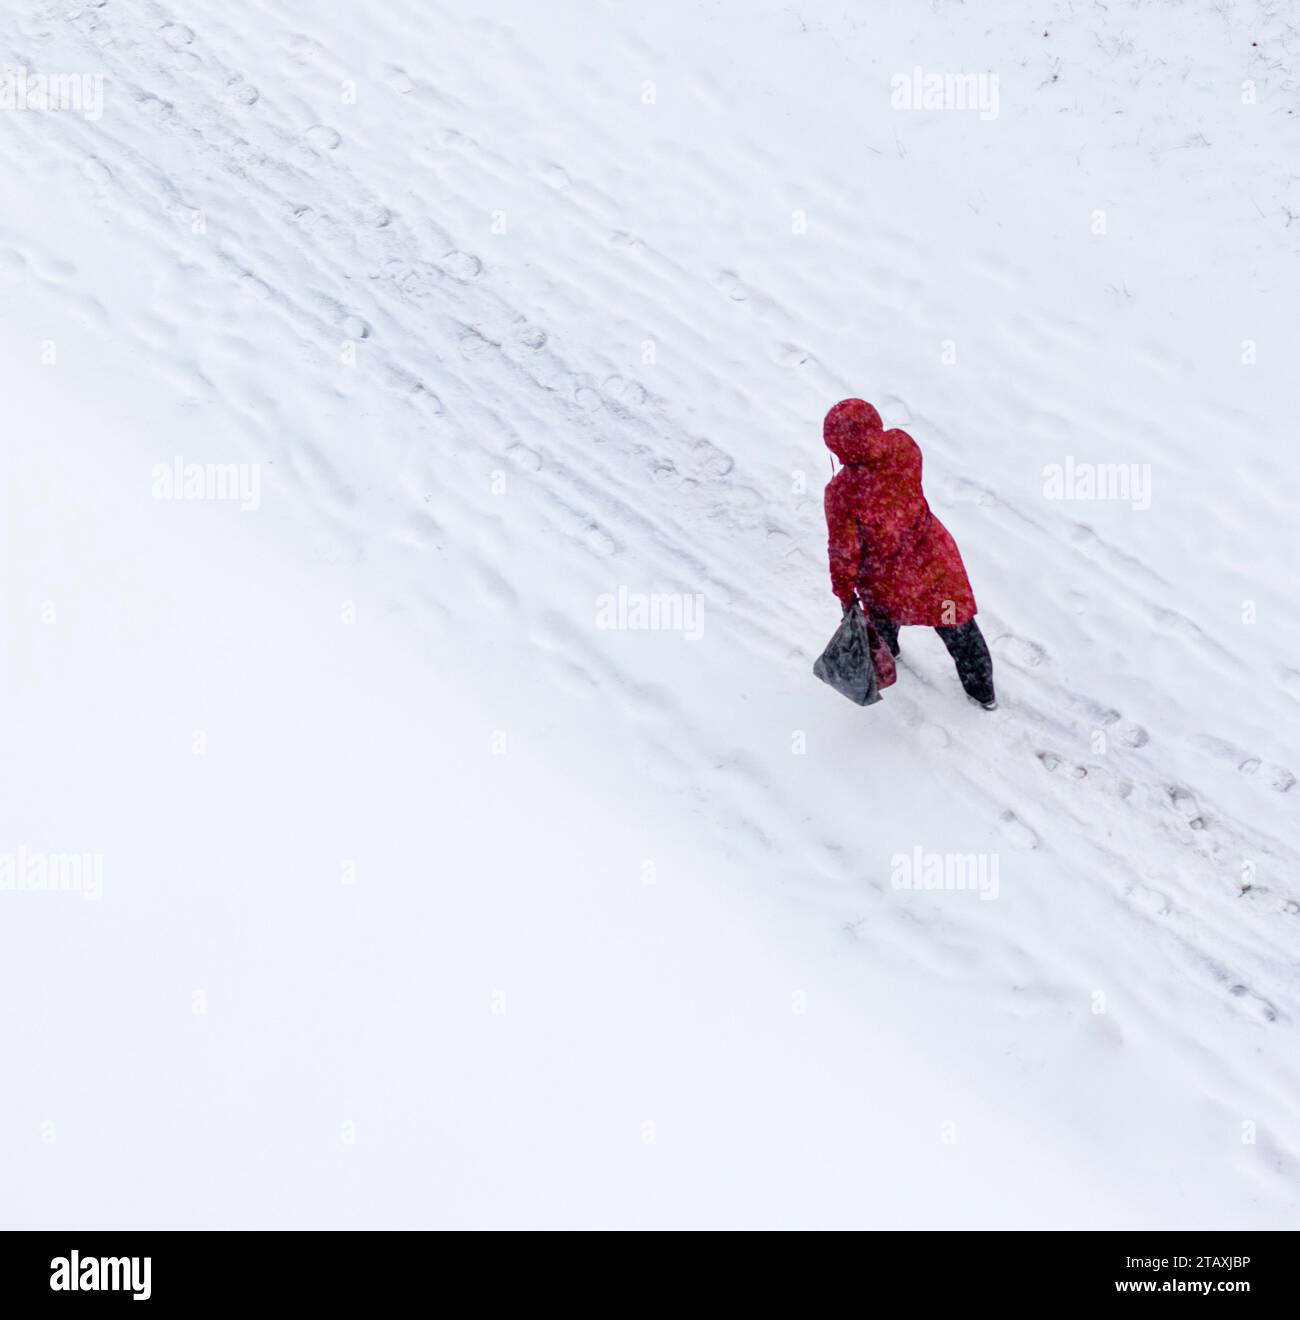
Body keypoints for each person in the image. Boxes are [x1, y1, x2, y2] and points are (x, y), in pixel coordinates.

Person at [822, 398, 996, 709]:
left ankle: (888, 656)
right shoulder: (903, 446)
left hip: (884, 579)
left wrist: (845, 595)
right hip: (933, 559)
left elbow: (843, 550)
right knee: (957, 627)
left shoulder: (842, 493)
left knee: (881, 622)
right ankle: (983, 693)